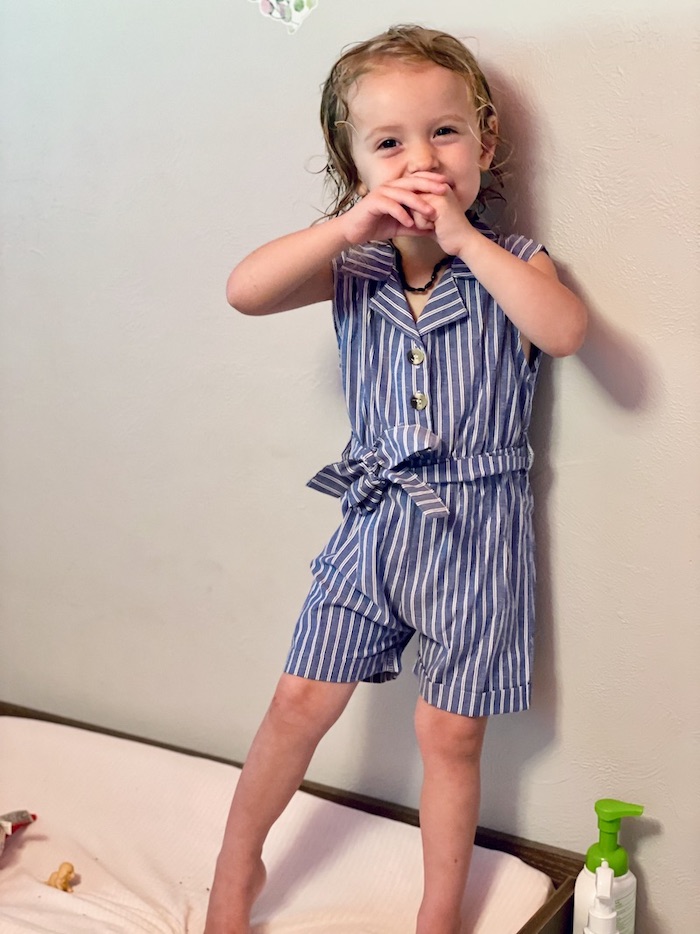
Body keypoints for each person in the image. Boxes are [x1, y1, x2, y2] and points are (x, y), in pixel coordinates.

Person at [205, 24, 587, 934]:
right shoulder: (354, 264)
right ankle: (235, 868)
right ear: (353, 162)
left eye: (445, 133)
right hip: (374, 516)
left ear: (485, 142)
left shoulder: (512, 262)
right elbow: (244, 290)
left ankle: (438, 912)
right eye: (389, 143)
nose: (422, 158)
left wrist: (462, 237)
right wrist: (349, 223)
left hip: (478, 528)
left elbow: (562, 329)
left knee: (448, 734)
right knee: (299, 698)